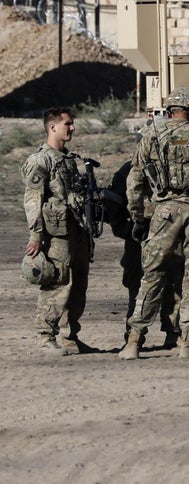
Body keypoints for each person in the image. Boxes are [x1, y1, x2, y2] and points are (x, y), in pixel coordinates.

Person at [120, 87, 189, 360]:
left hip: (164, 212)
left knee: (152, 274)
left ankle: (134, 341)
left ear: (170, 110)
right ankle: (187, 341)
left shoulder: (151, 136)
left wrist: (137, 215)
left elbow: (135, 180)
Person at [21, 107, 93, 356]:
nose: (72, 128)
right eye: (68, 124)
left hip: (76, 231)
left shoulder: (69, 160)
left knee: (78, 286)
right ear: (52, 127)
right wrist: (36, 235)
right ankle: (45, 336)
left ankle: (70, 337)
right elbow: (33, 200)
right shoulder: (41, 160)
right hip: (56, 236)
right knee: (57, 284)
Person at [102, 156, 180, 349]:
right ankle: (134, 336)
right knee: (137, 288)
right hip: (140, 238)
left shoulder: (176, 165)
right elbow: (113, 202)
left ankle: (173, 333)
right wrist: (128, 230)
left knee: (174, 284)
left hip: (171, 236)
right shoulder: (130, 169)